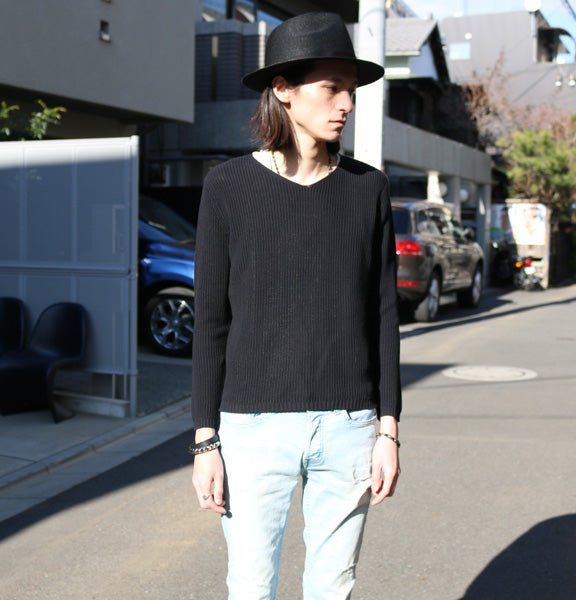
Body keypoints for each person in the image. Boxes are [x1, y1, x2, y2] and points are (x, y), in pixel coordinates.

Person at [190, 12, 402, 599]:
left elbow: (383, 314)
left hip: (350, 425)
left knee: (334, 588)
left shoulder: (368, 188)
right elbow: (210, 322)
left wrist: (388, 430)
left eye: (351, 91)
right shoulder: (228, 186)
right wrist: (205, 440)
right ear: (282, 89)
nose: (346, 104)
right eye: (332, 88)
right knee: (251, 587)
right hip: (251, 428)